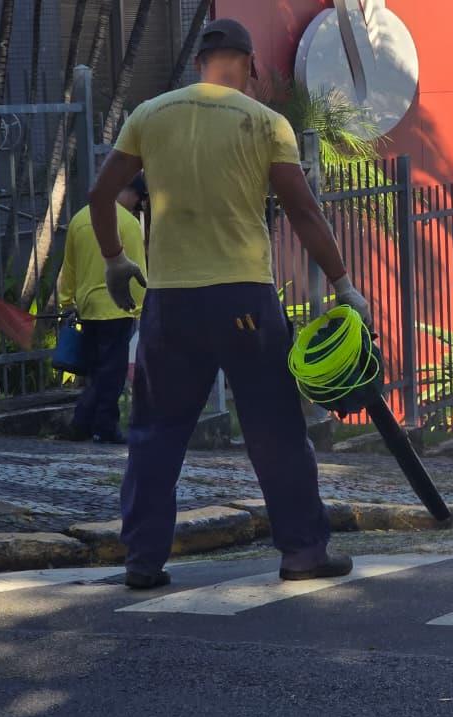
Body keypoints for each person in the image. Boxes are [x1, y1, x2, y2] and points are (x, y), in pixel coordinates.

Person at [88, 18, 373, 589]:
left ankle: (143, 561)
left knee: (155, 433)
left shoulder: (150, 113)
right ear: (249, 67)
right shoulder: (266, 123)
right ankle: (301, 553)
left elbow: (100, 194)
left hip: (171, 303)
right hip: (244, 297)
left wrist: (116, 259)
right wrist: (344, 286)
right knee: (274, 429)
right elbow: (303, 212)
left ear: (199, 64)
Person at [57, 175, 148, 444]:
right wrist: (142, 309)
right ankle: (98, 424)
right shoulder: (129, 223)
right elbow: (138, 272)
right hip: (118, 306)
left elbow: (69, 267)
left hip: (87, 305)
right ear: (130, 192)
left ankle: (85, 424)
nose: (137, 207)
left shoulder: (79, 219)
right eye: (139, 201)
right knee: (112, 373)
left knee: (97, 369)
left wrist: (67, 301)